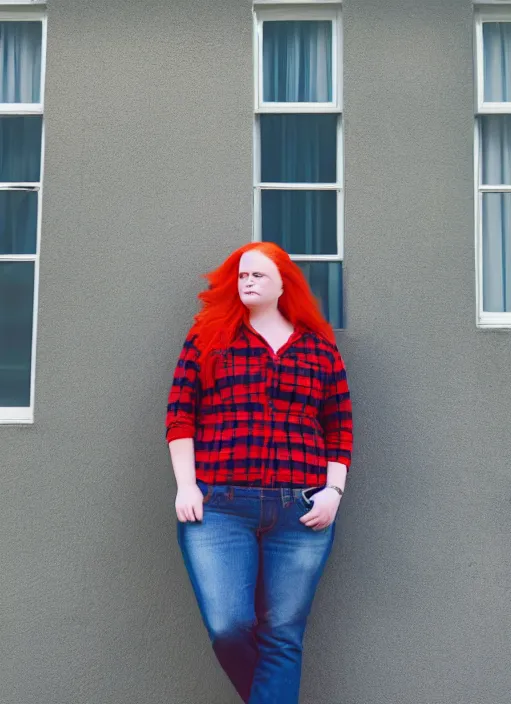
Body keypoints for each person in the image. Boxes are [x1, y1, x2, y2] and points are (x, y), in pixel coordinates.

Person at [165, 242, 353, 704]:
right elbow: (179, 415)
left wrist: (333, 491)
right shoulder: (208, 337)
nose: (246, 283)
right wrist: (185, 484)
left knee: (284, 632)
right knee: (229, 627)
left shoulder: (318, 349)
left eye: (257, 276)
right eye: (241, 276)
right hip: (219, 507)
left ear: (283, 284)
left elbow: (340, 425)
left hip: (302, 512)